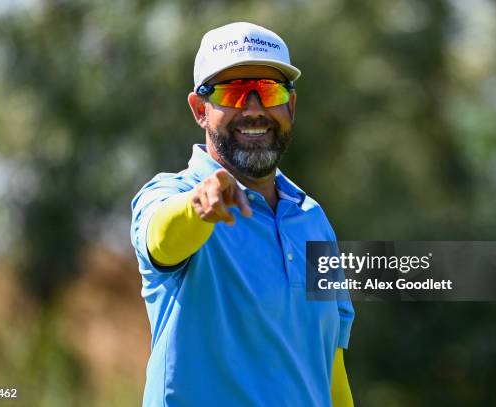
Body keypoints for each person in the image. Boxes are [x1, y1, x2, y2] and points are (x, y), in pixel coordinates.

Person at [131, 21, 355, 407]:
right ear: (200, 110)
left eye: (268, 90)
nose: (253, 110)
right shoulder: (172, 195)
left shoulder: (313, 220)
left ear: (291, 106)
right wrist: (198, 209)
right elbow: (161, 241)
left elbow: (328, 366)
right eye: (233, 92)